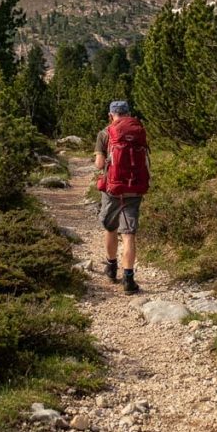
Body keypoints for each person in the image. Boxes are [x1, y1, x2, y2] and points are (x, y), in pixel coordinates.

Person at [94, 100, 149, 294]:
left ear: (111, 115)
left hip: (113, 189)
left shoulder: (105, 133)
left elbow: (99, 165)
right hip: (134, 188)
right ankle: (128, 279)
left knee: (110, 227)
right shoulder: (138, 132)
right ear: (128, 114)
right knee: (129, 234)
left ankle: (111, 268)